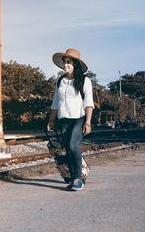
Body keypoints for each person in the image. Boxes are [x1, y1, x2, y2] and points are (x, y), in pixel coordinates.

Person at [47, 48, 94, 191]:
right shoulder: (60, 81)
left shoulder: (84, 80)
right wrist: (51, 120)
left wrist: (88, 122)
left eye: (69, 62)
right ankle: (74, 178)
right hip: (63, 119)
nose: (65, 65)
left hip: (78, 119)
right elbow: (56, 102)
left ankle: (78, 178)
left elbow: (89, 103)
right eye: (64, 62)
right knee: (67, 148)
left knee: (73, 146)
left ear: (75, 64)